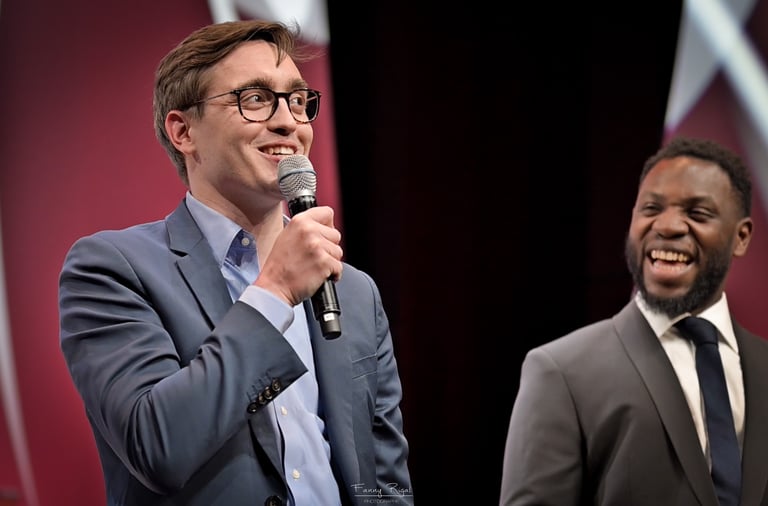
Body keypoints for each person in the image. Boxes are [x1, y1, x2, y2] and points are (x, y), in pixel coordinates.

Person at [58, 19, 413, 506]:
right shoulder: (112, 269)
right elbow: (157, 445)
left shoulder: (354, 291)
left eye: (297, 99)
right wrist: (275, 293)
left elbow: (385, 481)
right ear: (183, 131)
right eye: (255, 98)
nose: (288, 121)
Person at [499, 136, 768, 505]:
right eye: (651, 208)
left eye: (697, 213)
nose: (668, 226)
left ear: (741, 237)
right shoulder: (562, 371)